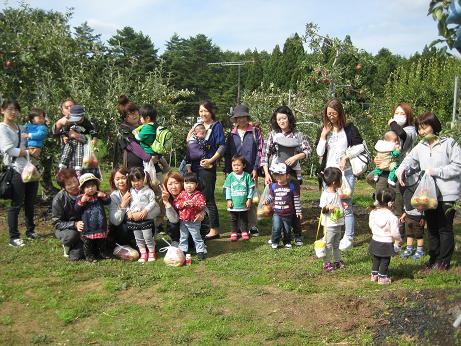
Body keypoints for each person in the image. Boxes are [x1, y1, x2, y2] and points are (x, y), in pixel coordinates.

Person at [396, 112, 461, 270]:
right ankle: (434, 258)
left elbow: (457, 166)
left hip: (447, 193)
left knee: (444, 227)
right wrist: (401, 169)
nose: (421, 132)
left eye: (424, 127)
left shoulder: (449, 143)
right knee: (431, 226)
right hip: (428, 194)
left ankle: (443, 261)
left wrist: (436, 171)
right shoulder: (421, 146)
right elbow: (409, 159)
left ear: (434, 126)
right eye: (419, 129)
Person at [315, 99, 364, 251]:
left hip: (344, 174)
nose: (331, 116)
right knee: (328, 204)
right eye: (329, 114)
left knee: (345, 205)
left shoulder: (349, 129)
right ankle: (328, 233)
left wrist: (346, 156)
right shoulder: (323, 129)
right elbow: (319, 153)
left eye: (334, 113)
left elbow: (360, 146)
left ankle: (348, 237)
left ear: (340, 113)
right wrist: (323, 136)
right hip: (328, 175)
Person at [261, 105, 310, 246]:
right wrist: (266, 174)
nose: (281, 121)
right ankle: (279, 234)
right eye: (278, 119)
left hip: (292, 174)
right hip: (276, 174)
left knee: (293, 203)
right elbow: (265, 155)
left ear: (289, 118)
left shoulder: (298, 135)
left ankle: (297, 234)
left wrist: (296, 157)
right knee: (278, 202)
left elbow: (308, 151)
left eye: (284, 118)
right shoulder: (272, 135)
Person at [374, 103, 417, 241]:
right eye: (396, 113)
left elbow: (402, 134)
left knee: (397, 200)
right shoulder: (392, 131)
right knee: (378, 189)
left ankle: (400, 234)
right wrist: (378, 160)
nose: (399, 116)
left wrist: (392, 123)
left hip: (400, 171)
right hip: (386, 169)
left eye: (402, 113)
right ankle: (384, 229)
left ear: (408, 116)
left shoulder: (410, 130)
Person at [0, 99, 40, 247]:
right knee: (16, 203)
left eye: (16, 110)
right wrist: (27, 152)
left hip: (29, 168)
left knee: (30, 201)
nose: (13, 112)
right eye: (10, 109)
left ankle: (30, 231)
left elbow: (31, 141)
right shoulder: (2, 128)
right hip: (15, 169)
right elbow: (8, 149)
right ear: (2, 111)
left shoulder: (21, 127)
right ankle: (14, 237)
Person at [186, 100, 225, 240]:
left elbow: (221, 146)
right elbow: (189, 142)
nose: (203, 113)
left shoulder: (216, 126)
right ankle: (201, 225)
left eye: (206, 111)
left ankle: (214, 229)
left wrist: (211, 160)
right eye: (201, 111)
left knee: (208, 197)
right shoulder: (198, 126)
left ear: (211, 111)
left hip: (207, 166)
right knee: (195, 196)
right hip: (194, 166)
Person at [224, 104, 263, 236]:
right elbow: (228, 153)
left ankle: (252, 225)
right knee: (236, 196)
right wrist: (228, 171)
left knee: (251, 197)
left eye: (243, 117)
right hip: (235, 171)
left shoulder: (255, 132)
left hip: (251, 170)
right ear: (235, 119)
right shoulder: (232, 134)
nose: (241, 120)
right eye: (238, 117)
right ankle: (240, 226)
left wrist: (256, 168)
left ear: (247, 117)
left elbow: (260, 151)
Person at [126, 167, 160, 263]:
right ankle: (143, 252)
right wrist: (128, 211)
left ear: (143, 179)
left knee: (148, 236)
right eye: (133, 181)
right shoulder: (130, 191)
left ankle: (152, 252)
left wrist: (145, 210)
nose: (136, 183)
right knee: (138, 237)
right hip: (134, 218)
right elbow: (127, 204)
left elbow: (152, 202)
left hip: (145, 218)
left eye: (138, 180)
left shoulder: (148, 191)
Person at [264, 163, 302, 249]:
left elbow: (296, 200)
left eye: (281, 175)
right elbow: (272, 196)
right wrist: (267, 201)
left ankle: (287, 242)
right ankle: (275, 241)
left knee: (287, 229)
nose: (278, 177)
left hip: (288, 213)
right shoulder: (273, 186)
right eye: (276, 175)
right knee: (276, 228)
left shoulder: (291, 187)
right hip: (277, 213)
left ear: (287, 175)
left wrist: (298, 211)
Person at [369, 188, 402, 285]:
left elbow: (371, 225)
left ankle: (374, 275)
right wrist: (398, 239)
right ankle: (382, 278)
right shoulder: (392, 217)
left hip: (375, 239)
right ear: (391, 203)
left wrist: (376, 233)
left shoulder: (373, 212)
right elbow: (395, 232)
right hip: (386, 242)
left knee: (376, 258)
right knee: (385, 260)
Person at [75, 173, 111, 261]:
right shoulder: (81, 198)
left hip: (100, 224)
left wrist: (104, 196)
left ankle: (102, 252)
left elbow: (108, 201)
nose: (91, 189)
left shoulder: (99, 196)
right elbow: (76, 209)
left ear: (97, 186)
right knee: (88, 243)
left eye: (93, 186)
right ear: (83, 189)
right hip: (88, 226)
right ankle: (89, 255)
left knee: (102, 241)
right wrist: (81, 202)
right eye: (87, 187)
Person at [52, 168, 85, 260]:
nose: (74, 185)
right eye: (69, 184)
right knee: (71, 236)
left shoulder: (85, 191)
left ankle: (79, 245)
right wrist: (74, 224)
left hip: (84, 225)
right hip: (67, 228)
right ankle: (67, 244)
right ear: (63, 187)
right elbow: (57, 223)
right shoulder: (59, 199)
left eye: (75, 181)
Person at [56, 105, 97, 177]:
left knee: (79, 153)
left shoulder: (87, 124)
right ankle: (62, 167)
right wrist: (64, 137)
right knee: (66, 151)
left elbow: (93, 133)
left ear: (83, 116)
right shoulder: (69, 122)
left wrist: (94, 139)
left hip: (81, 143)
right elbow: (64, 131)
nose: (76, 121)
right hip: (70, 142)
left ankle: (78, 170)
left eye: (78, 119)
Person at [173, 173, 207, 260]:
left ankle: (200, 251)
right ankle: (183, 250)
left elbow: (202, 204)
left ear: (196, 185)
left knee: (196, 236)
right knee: (183, 236)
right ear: (183, 184)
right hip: (183, 220)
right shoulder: (182, 194)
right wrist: (183, 204)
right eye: (186, 183)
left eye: (191, 183)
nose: (189, 186)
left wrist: (194, 204)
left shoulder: (198, 195)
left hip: (194, 221)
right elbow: (176, 204)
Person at [319, 167, 346, 272]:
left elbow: (338, 204)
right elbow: (323, 209)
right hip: (329, 225)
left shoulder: (336, 192)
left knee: (336, 244)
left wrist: (342, 205)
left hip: (338, 223)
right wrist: (328, 207)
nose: (342, 181)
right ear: (334, 182)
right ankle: (326, 263)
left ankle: (337, 260)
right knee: (328, 244)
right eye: (341, 179)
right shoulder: (325, 194)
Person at [223, 154, 255, 241]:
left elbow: (251, 188)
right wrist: (228, 199)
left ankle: (244, 231)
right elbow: (228, 189)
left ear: (244, 165)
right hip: (234, 203)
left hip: (244, 202)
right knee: (233, 218)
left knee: (244, 218)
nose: (236, 167)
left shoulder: (247, 176)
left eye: (238, 165)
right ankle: (234, 232)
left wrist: (249, 199)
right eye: (234, 165)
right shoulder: (230, 176)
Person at [399, 179, 425, 260]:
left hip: (417, 218)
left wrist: (423, 217)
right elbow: (406, 204)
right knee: (409, 234)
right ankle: (409, 248)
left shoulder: (421, 194)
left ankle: (420, 250)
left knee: (418, 235)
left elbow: (425, 207)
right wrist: (404, 214)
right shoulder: (407, 191)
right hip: (408, 217)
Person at [108, 165, 135, 246]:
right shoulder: (113, 196)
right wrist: (123, 205)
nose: (121, 181)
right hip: (121, 228)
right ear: (113, 181)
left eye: (123, 178)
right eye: (117, 179)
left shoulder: (136, 191)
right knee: (124, 228)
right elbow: (115, 221)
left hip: (137, 223)